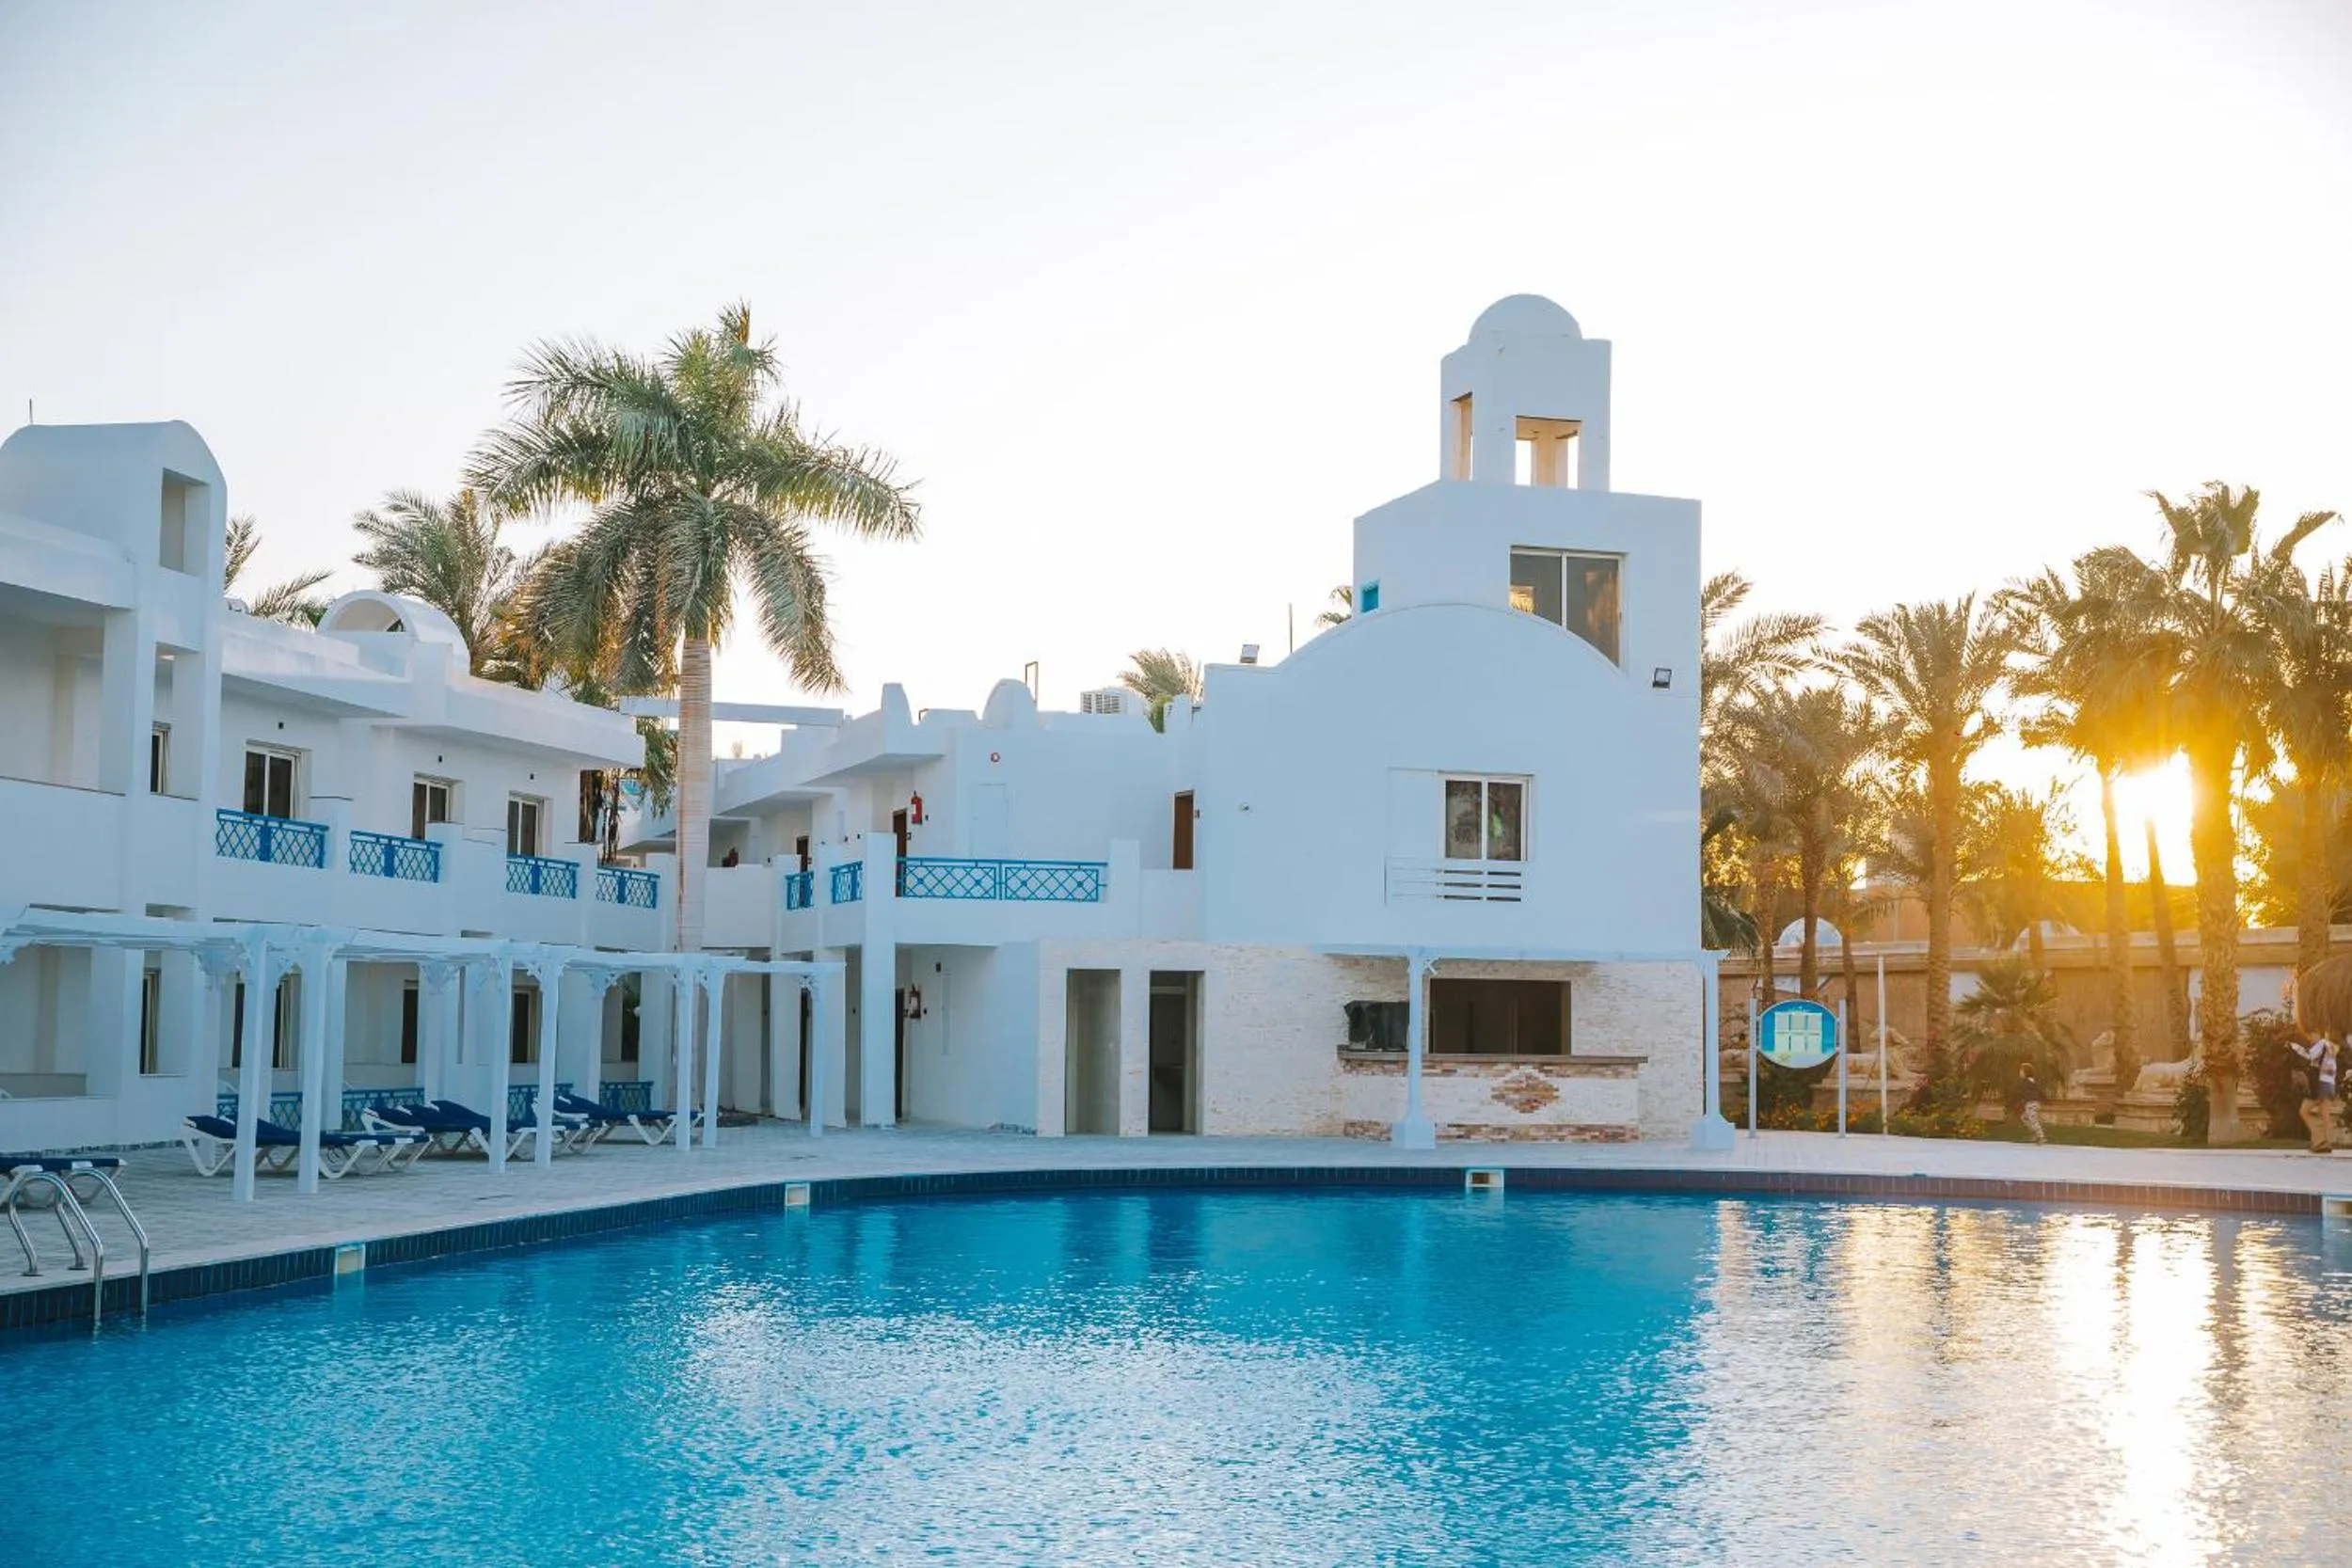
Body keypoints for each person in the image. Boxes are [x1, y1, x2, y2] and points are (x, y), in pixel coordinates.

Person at [2293, 1034, 2340, 1154]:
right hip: (2329, 1082)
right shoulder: (2330, 1046)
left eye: (2312, 1034)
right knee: (2325, 1115)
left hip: (2320, 1082)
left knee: (2304, 1111)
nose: (2309, 1037)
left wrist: (2294, 1046)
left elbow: (2308, 1055)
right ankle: (2325, 1143)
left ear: (2318, 1033)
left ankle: (2319, 1138)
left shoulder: (2322, 1043)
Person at [2017, 1063, 2047, 1146]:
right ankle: (2035, 1133)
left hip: (2032, 1103)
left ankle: (2041, 1137)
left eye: (2021, 1071)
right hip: (2032, 1103)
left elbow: (2021, 1092)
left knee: (2033, 1120)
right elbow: (2040, 1091)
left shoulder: (2026, 1082)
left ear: (2026, 1072)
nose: (2020, 1073)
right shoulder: (2033, 1081)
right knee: (2024, 1117)